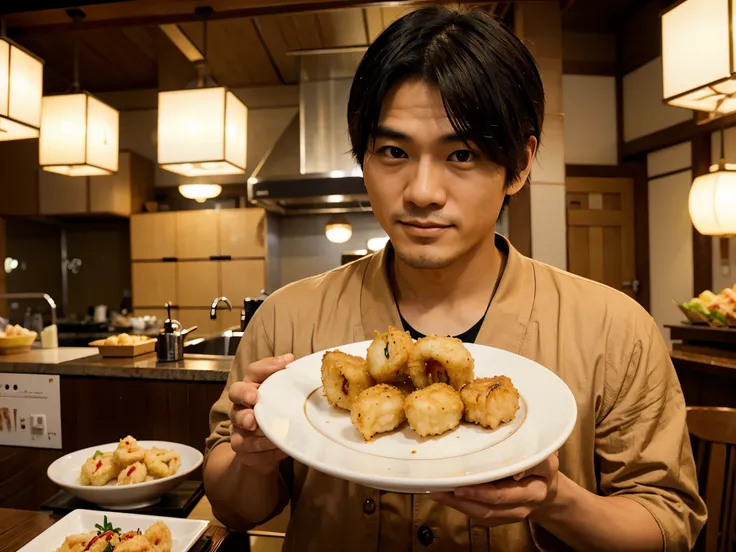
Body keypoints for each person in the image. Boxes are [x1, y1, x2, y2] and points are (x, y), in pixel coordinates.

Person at [203, 6, 706, 551]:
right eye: (394, 151)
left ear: (520, 164)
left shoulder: (615, 330)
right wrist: (251, 458)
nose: (421, 191)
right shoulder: (286, 318)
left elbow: (668, 525)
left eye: (461, 154)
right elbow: (234, 509)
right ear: (363, 157)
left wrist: (555, 499)